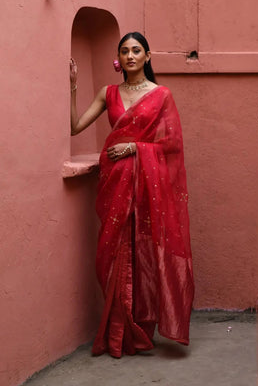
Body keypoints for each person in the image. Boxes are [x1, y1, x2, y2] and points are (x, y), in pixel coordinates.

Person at [70, 31, 194, 358]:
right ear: (118, 59)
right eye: (124, 51)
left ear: (147, 57)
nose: (130, 56)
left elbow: (172, 146)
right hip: (114, 185)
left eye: (136, 50)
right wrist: (72, 87)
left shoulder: (161, 95)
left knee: (142, 253)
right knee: (111, 255)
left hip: (144, 187)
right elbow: (74, 125)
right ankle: (117, 331)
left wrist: (134, 147)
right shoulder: (108, 93)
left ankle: (137, 329)